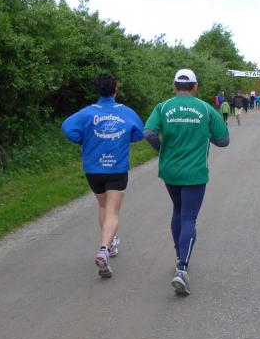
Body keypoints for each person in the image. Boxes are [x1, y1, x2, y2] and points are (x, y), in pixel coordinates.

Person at [143, 68, 229, 295]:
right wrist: (206, 134)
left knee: (178, 210)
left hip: (170, 170)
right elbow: (224, 140)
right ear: (195, 86)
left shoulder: (163, 107)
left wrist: (162, 149)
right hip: (195, 172)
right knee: (189, 217)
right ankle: (182, 269)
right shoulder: (206, 109)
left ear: (174, 86)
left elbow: (149, 132)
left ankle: (179, 255)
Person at [61, 72, 145, 278]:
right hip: (116, 168)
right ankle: (104, 249)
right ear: (115, 89)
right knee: (112, 211)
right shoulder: (125, 112)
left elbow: (67, 127)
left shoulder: (88, 112)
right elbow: (139, 132)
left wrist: (82, 138)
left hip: (93, 169)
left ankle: (111, 243)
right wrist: (124, 137)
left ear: (97, 90)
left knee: (103, 206)